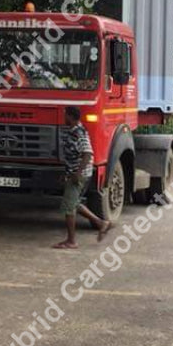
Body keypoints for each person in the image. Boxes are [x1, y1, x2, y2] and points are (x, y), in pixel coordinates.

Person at [53, 105, 112, 249]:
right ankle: (100, 223)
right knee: (75, 203)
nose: (63, 118)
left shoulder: (78, 132)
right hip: (75, 173)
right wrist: (67, 174)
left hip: (79, 175)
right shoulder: (75, 131)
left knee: (69, 207)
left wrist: (77, 174)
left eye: (65, 115)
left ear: (71, 116)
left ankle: (71, 241)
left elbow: (87, 153)